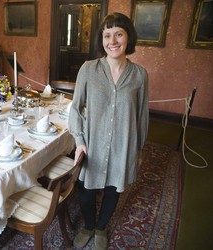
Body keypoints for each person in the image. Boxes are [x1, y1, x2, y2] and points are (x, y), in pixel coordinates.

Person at [68, 12, 148, 250]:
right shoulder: (88, 69)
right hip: (92, 144)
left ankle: (102, 227)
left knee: (114, 189)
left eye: (119, 34)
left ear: (128, 38)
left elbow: (142, 115)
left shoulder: (140, 75)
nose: (112, 41)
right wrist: (80, 141)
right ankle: (89, 225)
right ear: (101, 40)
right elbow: (75, 109)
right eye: (107, 35)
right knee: (86, 192)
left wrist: (139, 149)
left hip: (123, 145)